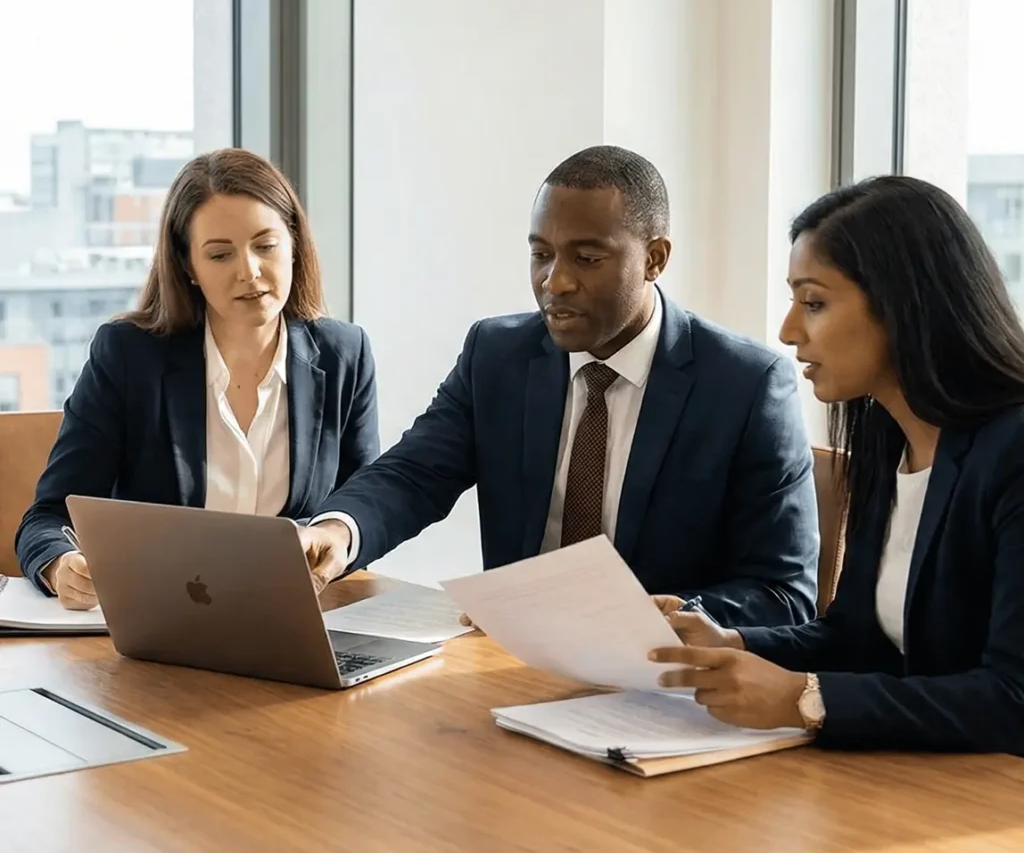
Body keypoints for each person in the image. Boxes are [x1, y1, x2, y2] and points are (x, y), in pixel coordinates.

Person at [309, 146, 819, 626]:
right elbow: (414, 474)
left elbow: (783, 595)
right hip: (511, 666)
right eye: (541, 255)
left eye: (587, 258)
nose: (555, 282)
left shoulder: (745, 386)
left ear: (655, 258)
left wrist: (649, 620)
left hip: (661, 685)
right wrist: (338, 529)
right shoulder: (496, 355)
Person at [650, 174, 1024, 756]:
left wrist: (807, 699)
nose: (788, 331)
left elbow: (1014, 699)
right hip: (919, 783)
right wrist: (735, 644)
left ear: (905, 304)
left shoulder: (1014, 452)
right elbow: (856, 638)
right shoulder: (889, 438)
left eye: (814, 302)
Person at [17, 148, 379, 609]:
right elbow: (47, 517)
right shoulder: (129, 354)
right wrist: (59, 564)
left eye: (265, 246)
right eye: (220, 254)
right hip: (163, 623)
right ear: (189, 267)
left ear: (294, 243)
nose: (249, 271)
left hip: (294, 619)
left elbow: (364, 505)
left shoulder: (345, 353)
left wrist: (339, 535)